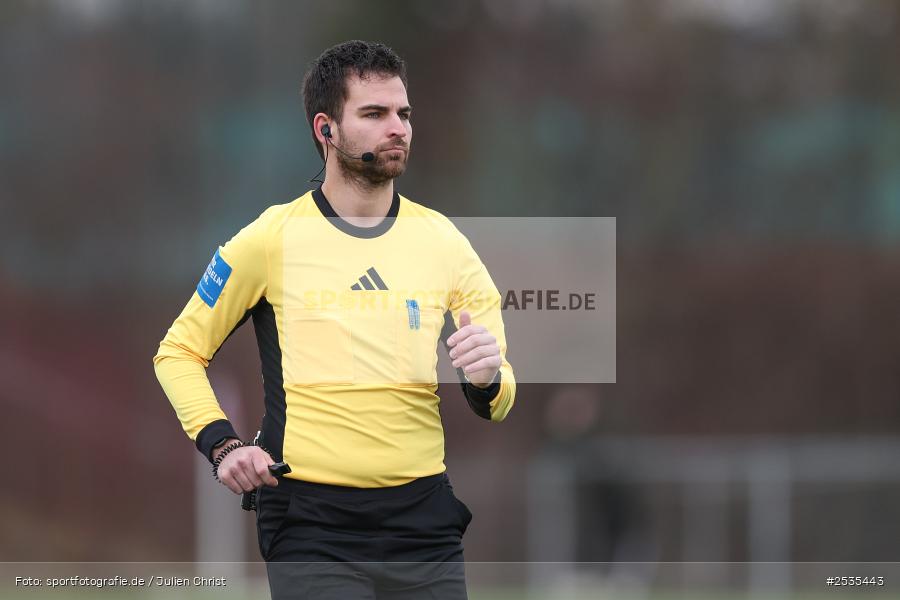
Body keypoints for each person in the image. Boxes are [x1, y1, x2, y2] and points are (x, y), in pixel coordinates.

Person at [153, 40, 515, 599]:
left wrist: (487, 378)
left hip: (424, 522)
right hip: (311, 524)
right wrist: (223, 445)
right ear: (326, 129)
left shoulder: (444, 241)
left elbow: (498, 397)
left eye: (403, 113)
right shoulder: (269, 239)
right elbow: (177, 352)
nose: (397, 128)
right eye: (374, 114)